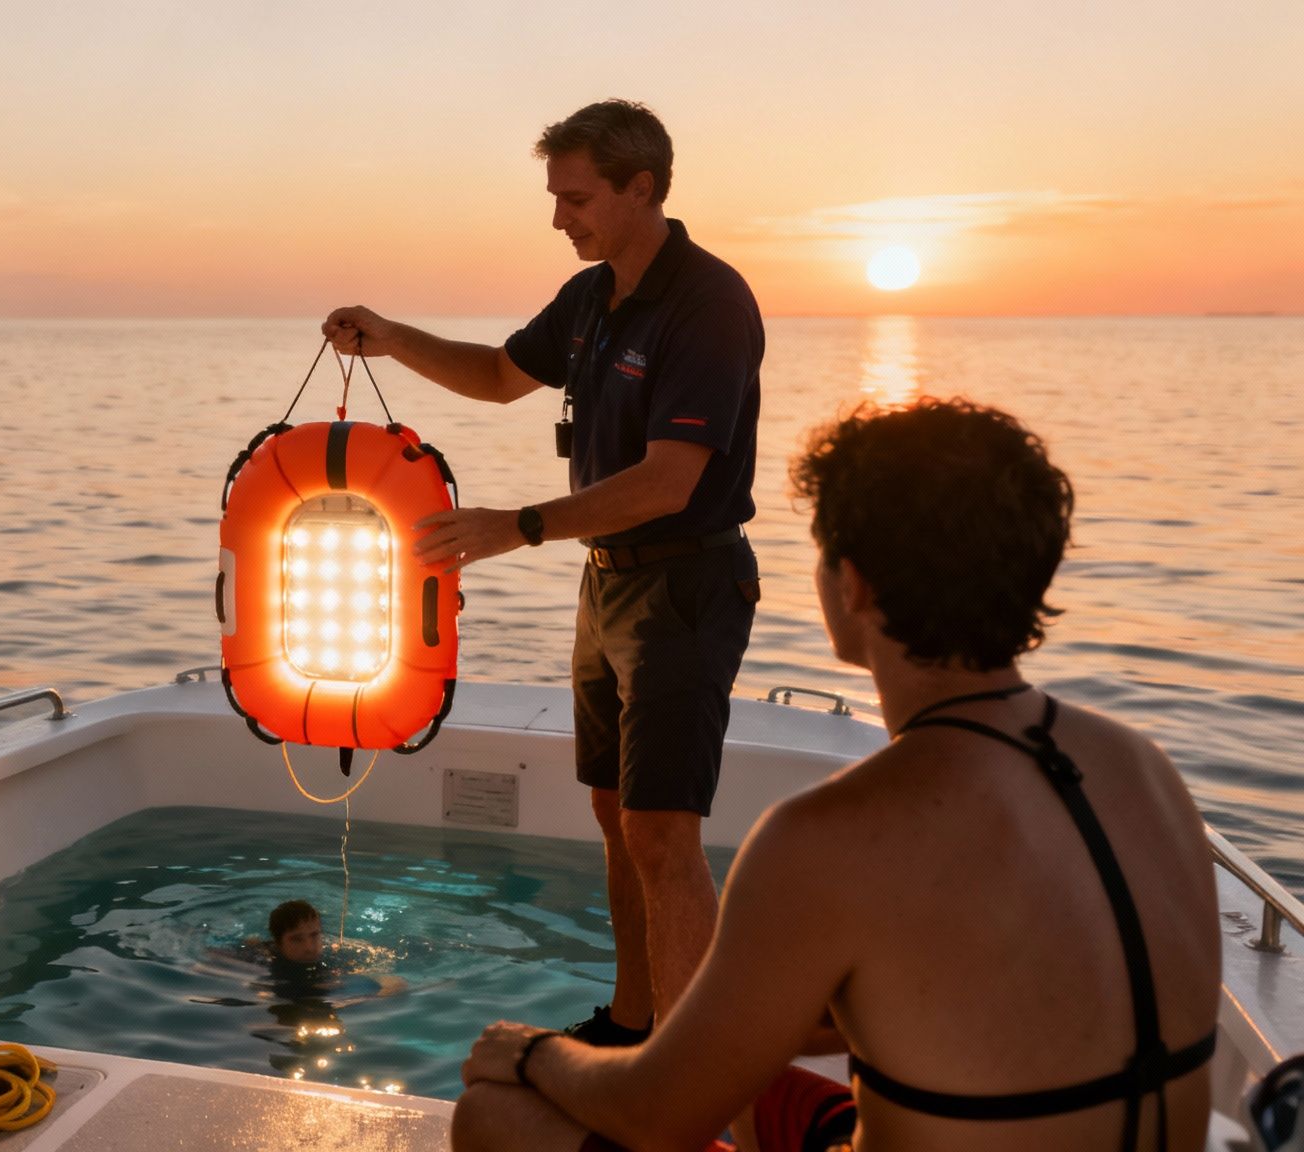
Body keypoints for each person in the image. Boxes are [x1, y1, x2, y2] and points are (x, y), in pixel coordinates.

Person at [453, 398, 1221, 1151]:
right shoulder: (1142, 767)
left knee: (495, 1111)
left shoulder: (827, 834)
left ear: (852, 585)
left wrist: (528, 1051)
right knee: (761, 1080)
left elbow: (658, 1117)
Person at [323, 98, 763, 1046]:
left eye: (576, 198)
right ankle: (633, 1025)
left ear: (641, 189)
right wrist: (393, 336)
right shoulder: (590, 297)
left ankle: (695, 1065)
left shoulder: (709, 303)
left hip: (685, 587)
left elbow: (667, 480)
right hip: (604, 588)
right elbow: (494, 374)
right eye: (556, 197)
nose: (559, 218)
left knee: (662, 834)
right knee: (614, 816)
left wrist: (514, 527)